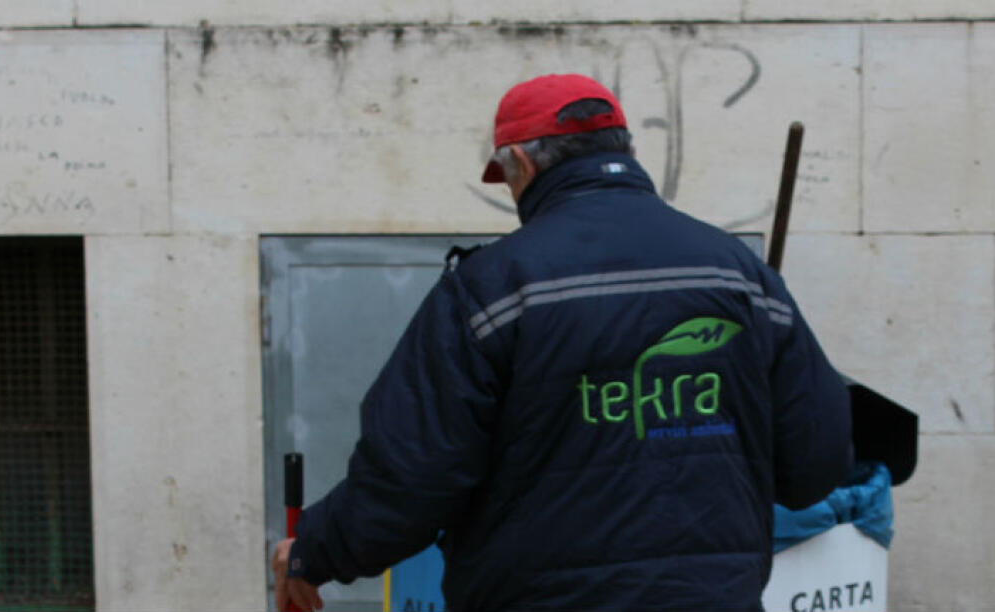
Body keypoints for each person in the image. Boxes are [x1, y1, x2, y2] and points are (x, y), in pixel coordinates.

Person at [272, 73, 853, 612]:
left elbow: (411, 479)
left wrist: (314, 550)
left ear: (520, 162)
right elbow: (815, 464)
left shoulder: (491, 291)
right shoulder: (741, 277)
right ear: (626, 151)